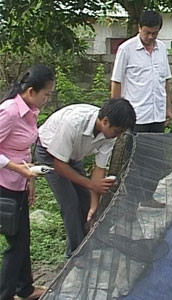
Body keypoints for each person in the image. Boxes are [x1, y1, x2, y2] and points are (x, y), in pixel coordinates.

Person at [34, 99, 135, 257]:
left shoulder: (110, 134)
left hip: (74, 156)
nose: (118, 136)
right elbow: (60, 166)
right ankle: (75, 253)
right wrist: (91, 185)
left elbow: (99, 170)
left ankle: (86, 243)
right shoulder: (74, 123)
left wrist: (93, 205)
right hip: (50, 154)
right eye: (117, 131)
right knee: (70, 203)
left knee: (85, 201)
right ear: (105, 121)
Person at [0, 64, 54, 300]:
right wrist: (17, 169)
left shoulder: (31, 111)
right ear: (31, 91)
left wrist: (28, 177)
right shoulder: (10, 111)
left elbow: (23, 148)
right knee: (16, 244)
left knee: (22, 239)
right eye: (46, 95)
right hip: (4, 185)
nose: (48, 100)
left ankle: (25, 289)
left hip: (19, 183)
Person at [111, 10, 171, 208]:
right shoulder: (126, 49)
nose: (151, 37)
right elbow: (116, 82)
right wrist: (116, 115)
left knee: (155, 161)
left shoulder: (161, 49)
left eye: (155, 33)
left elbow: (166, 81)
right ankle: (130, 201)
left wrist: (168, 107)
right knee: (134, 162)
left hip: (157, 114)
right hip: (136, 117)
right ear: (139, 28)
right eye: (147, 33)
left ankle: (147, 197)